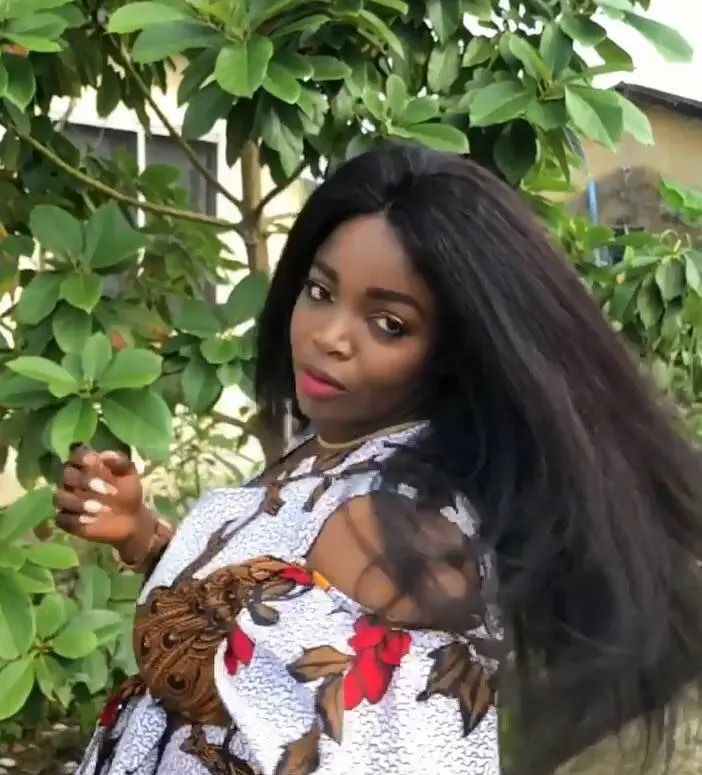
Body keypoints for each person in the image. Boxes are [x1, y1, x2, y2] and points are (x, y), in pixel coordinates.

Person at [54, 142, 702, 775]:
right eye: (319, 290)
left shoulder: (395, 534)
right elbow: (250, 615)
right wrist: (144, 535)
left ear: (455, 350)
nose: (329, 336)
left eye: (388, 324)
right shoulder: (340, 449)